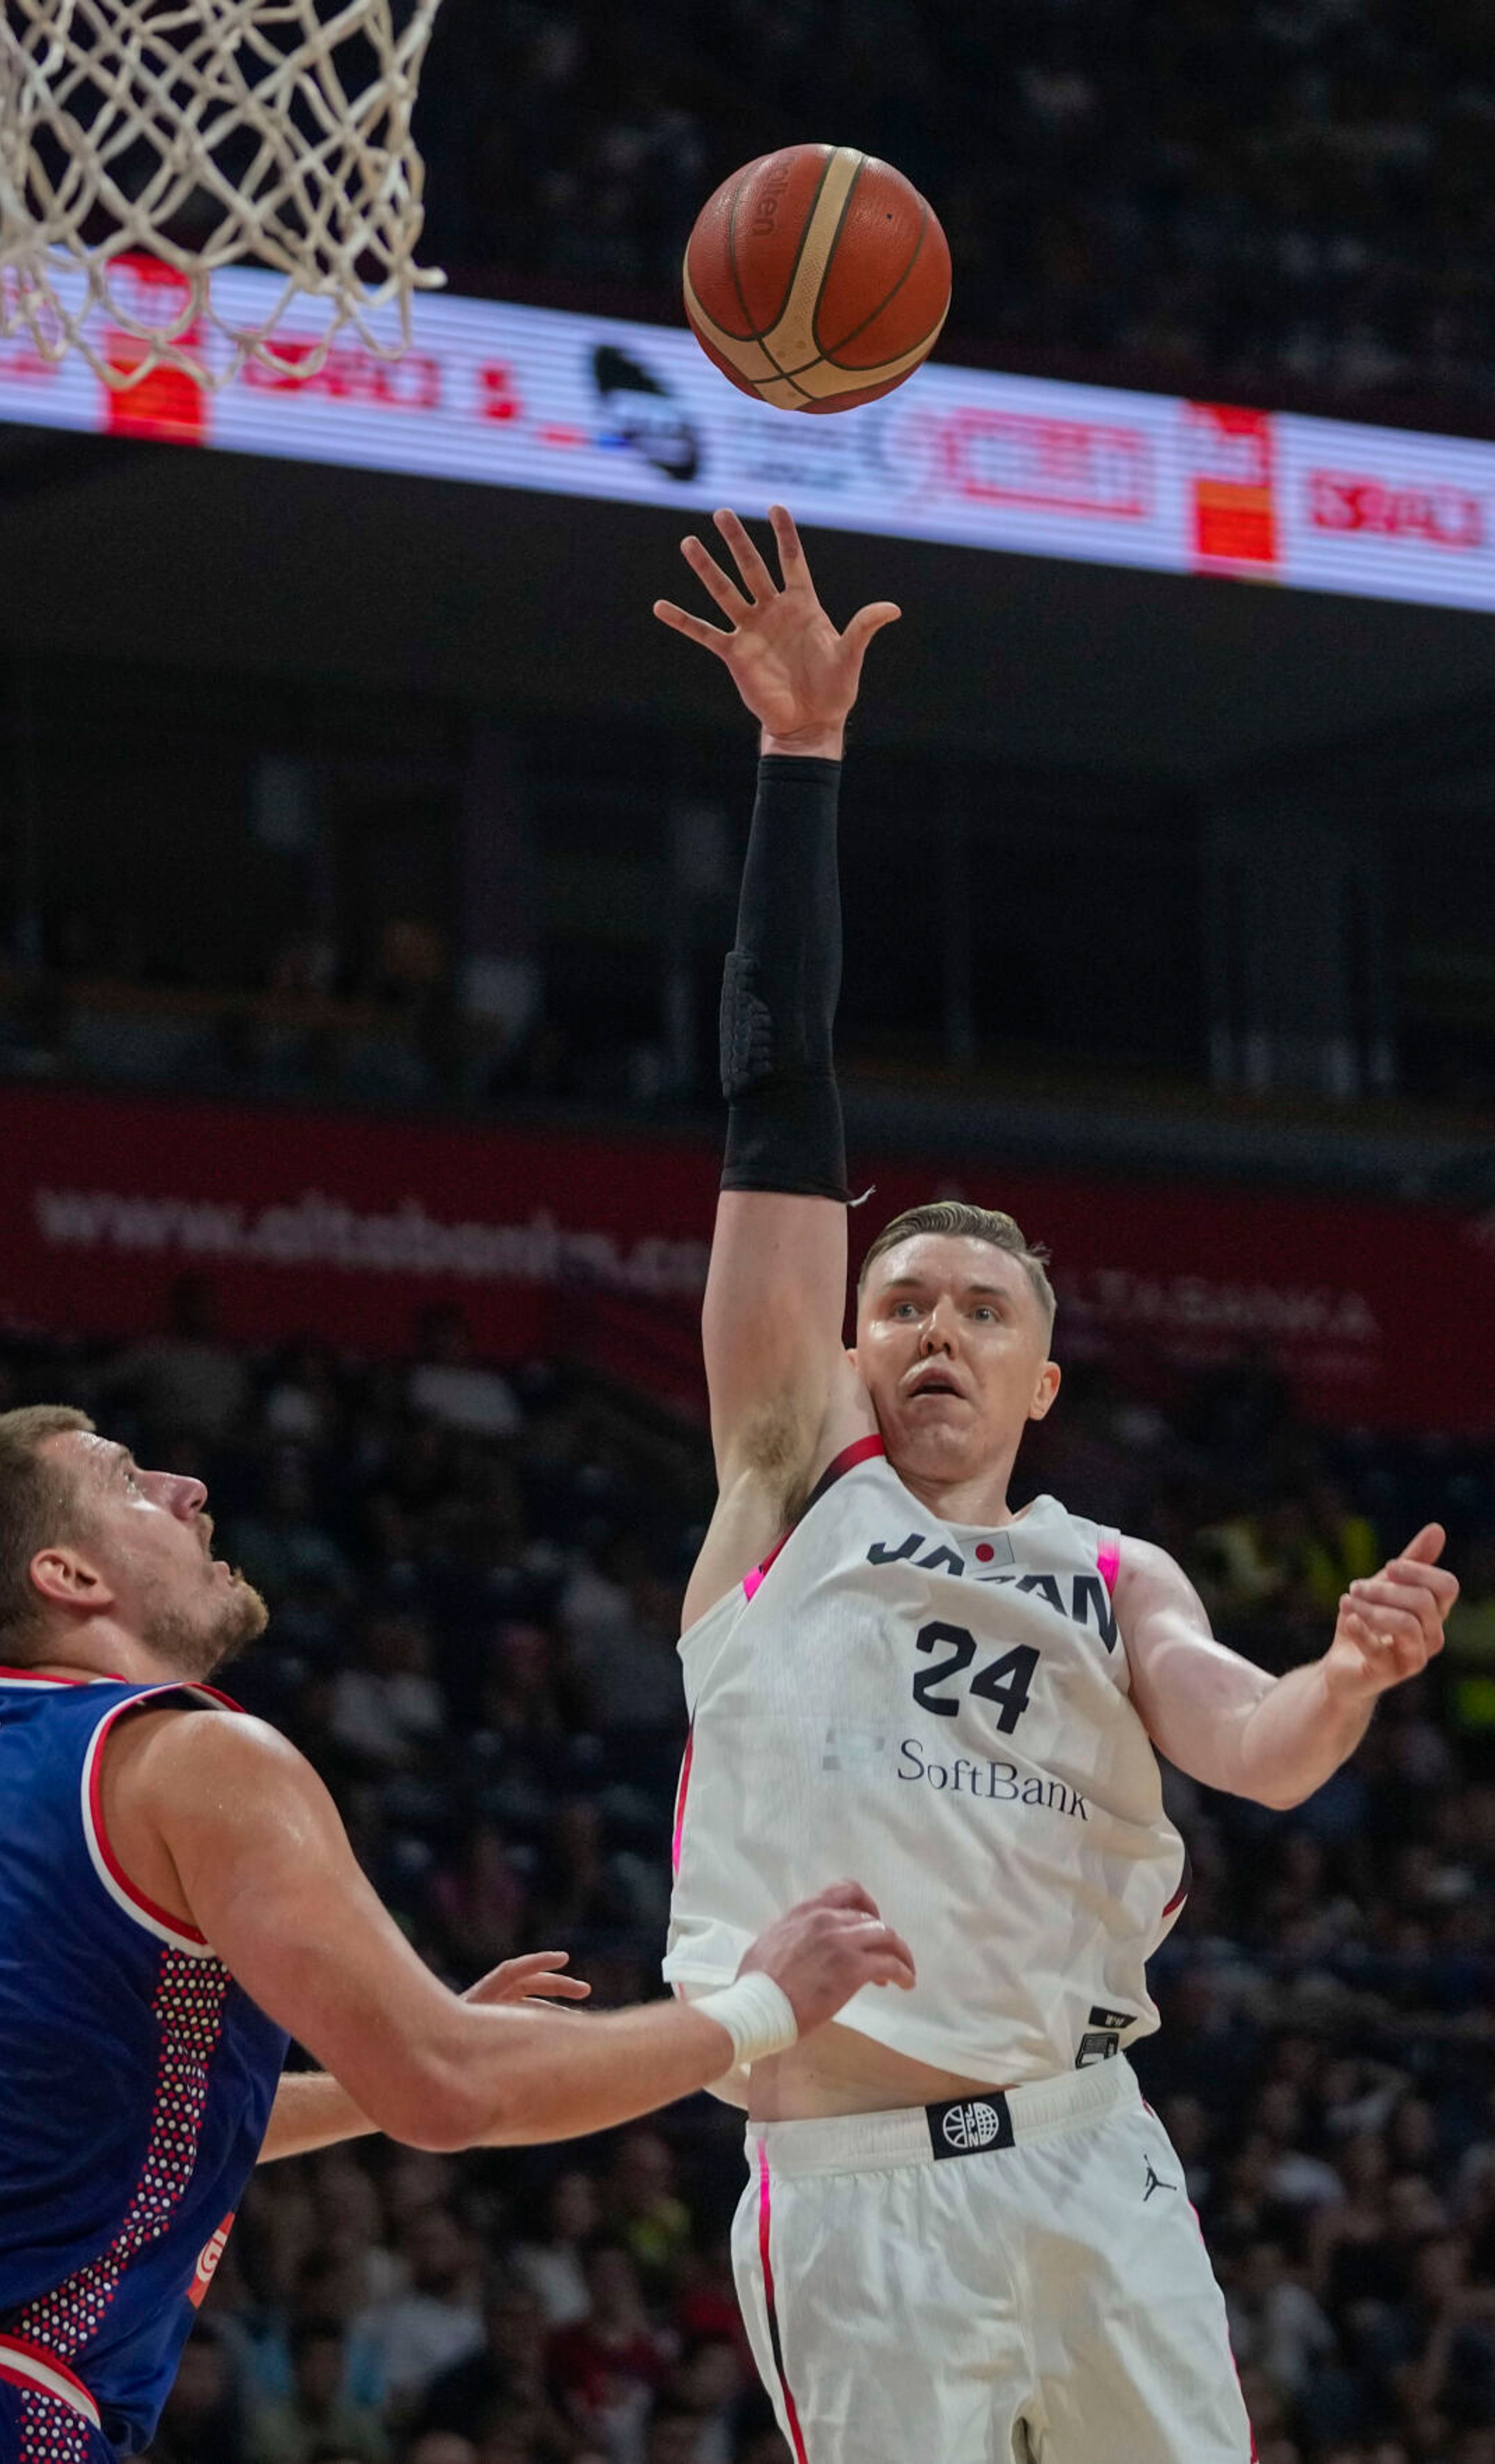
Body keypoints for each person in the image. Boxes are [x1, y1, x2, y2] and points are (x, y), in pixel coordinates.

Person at [654, 503, 1462, 2464]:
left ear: (1041, 1368)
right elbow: (778, 1086)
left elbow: (1253, 1749)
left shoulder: (1117, 1568)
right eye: (899, 1298)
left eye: (976, 1306)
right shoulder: (787, 1481)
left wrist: (1342, 1684)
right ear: (850, 1348)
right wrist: (801, 761)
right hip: (858, 2182)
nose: (930, 1324)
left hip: (1092, 2149)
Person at [0, 1405, 914, 2463]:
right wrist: (761, 2005)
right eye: (130, 1478)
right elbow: (452, 2090)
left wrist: (371, 2072)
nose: (190, 1489)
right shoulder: (197, 1758)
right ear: (71, 1577)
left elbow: (90, 2121)